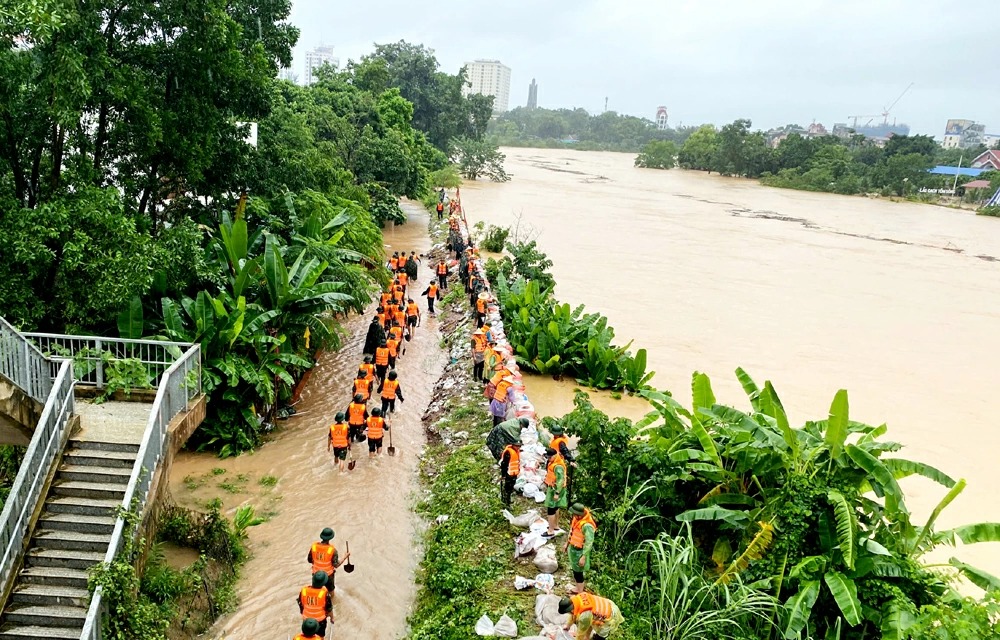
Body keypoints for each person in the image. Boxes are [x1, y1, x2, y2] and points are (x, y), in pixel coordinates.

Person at [557, 593, 624, 640]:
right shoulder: (576, 599)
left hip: (610, 615)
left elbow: (581, 632)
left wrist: (578, 638)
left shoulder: (584, 616)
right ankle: (587, 638)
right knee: (591, 621)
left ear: (570, 610)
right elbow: (573, 615)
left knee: (600, 635)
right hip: (604, 605)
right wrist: (568, 626)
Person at [564, 503, 597, 594]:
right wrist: (567, 544)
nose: (573, 515)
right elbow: (572, 531)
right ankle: (577, 588)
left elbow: (589, 542)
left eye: (575, 514)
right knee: (575, 570)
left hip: (580, 551)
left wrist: (583, 556)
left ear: (579, 515)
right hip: (573, 548)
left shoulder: (587, 526)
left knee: (578, 572)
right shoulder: (576, 519)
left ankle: (580, 591)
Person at [306, 527, 348, 593]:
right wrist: (345, 557)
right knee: (331, 592)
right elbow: (336, 565)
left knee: (317, 592)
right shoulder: (332, 550)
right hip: (328, 575)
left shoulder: (314, 547)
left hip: (316, 575)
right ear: (330, 538)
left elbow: (309, 560)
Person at [297, 571, 333, 637]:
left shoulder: (304, 590)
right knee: (320, 637)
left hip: (306, 620)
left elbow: (300, 603)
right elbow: (329, 608)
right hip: (320, 620)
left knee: (308, 636)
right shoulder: (324, 593)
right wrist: (332, 617)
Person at [543, 447, 568, 538]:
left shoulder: (558, 466)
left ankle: (551, 531)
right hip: (555, 487)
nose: (548, 459)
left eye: (550, 457)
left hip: (555, 489)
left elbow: (560, 480)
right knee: (556, 507)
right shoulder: (555, 462)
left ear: (554, 455)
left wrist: (557, 493)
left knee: (551, 508)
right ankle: (555, 526)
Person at [499, 441, 521, 506]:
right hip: (508, 474)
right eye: (517, 446)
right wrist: (503, 475)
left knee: (511, 487)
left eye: (519, 446)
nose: (518, 447)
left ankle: (508, 500)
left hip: (514, 473)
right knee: (507, 488)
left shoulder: (516, 451)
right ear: (513, 445)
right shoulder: (508, 452)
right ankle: (506, 502)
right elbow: (504, 464)